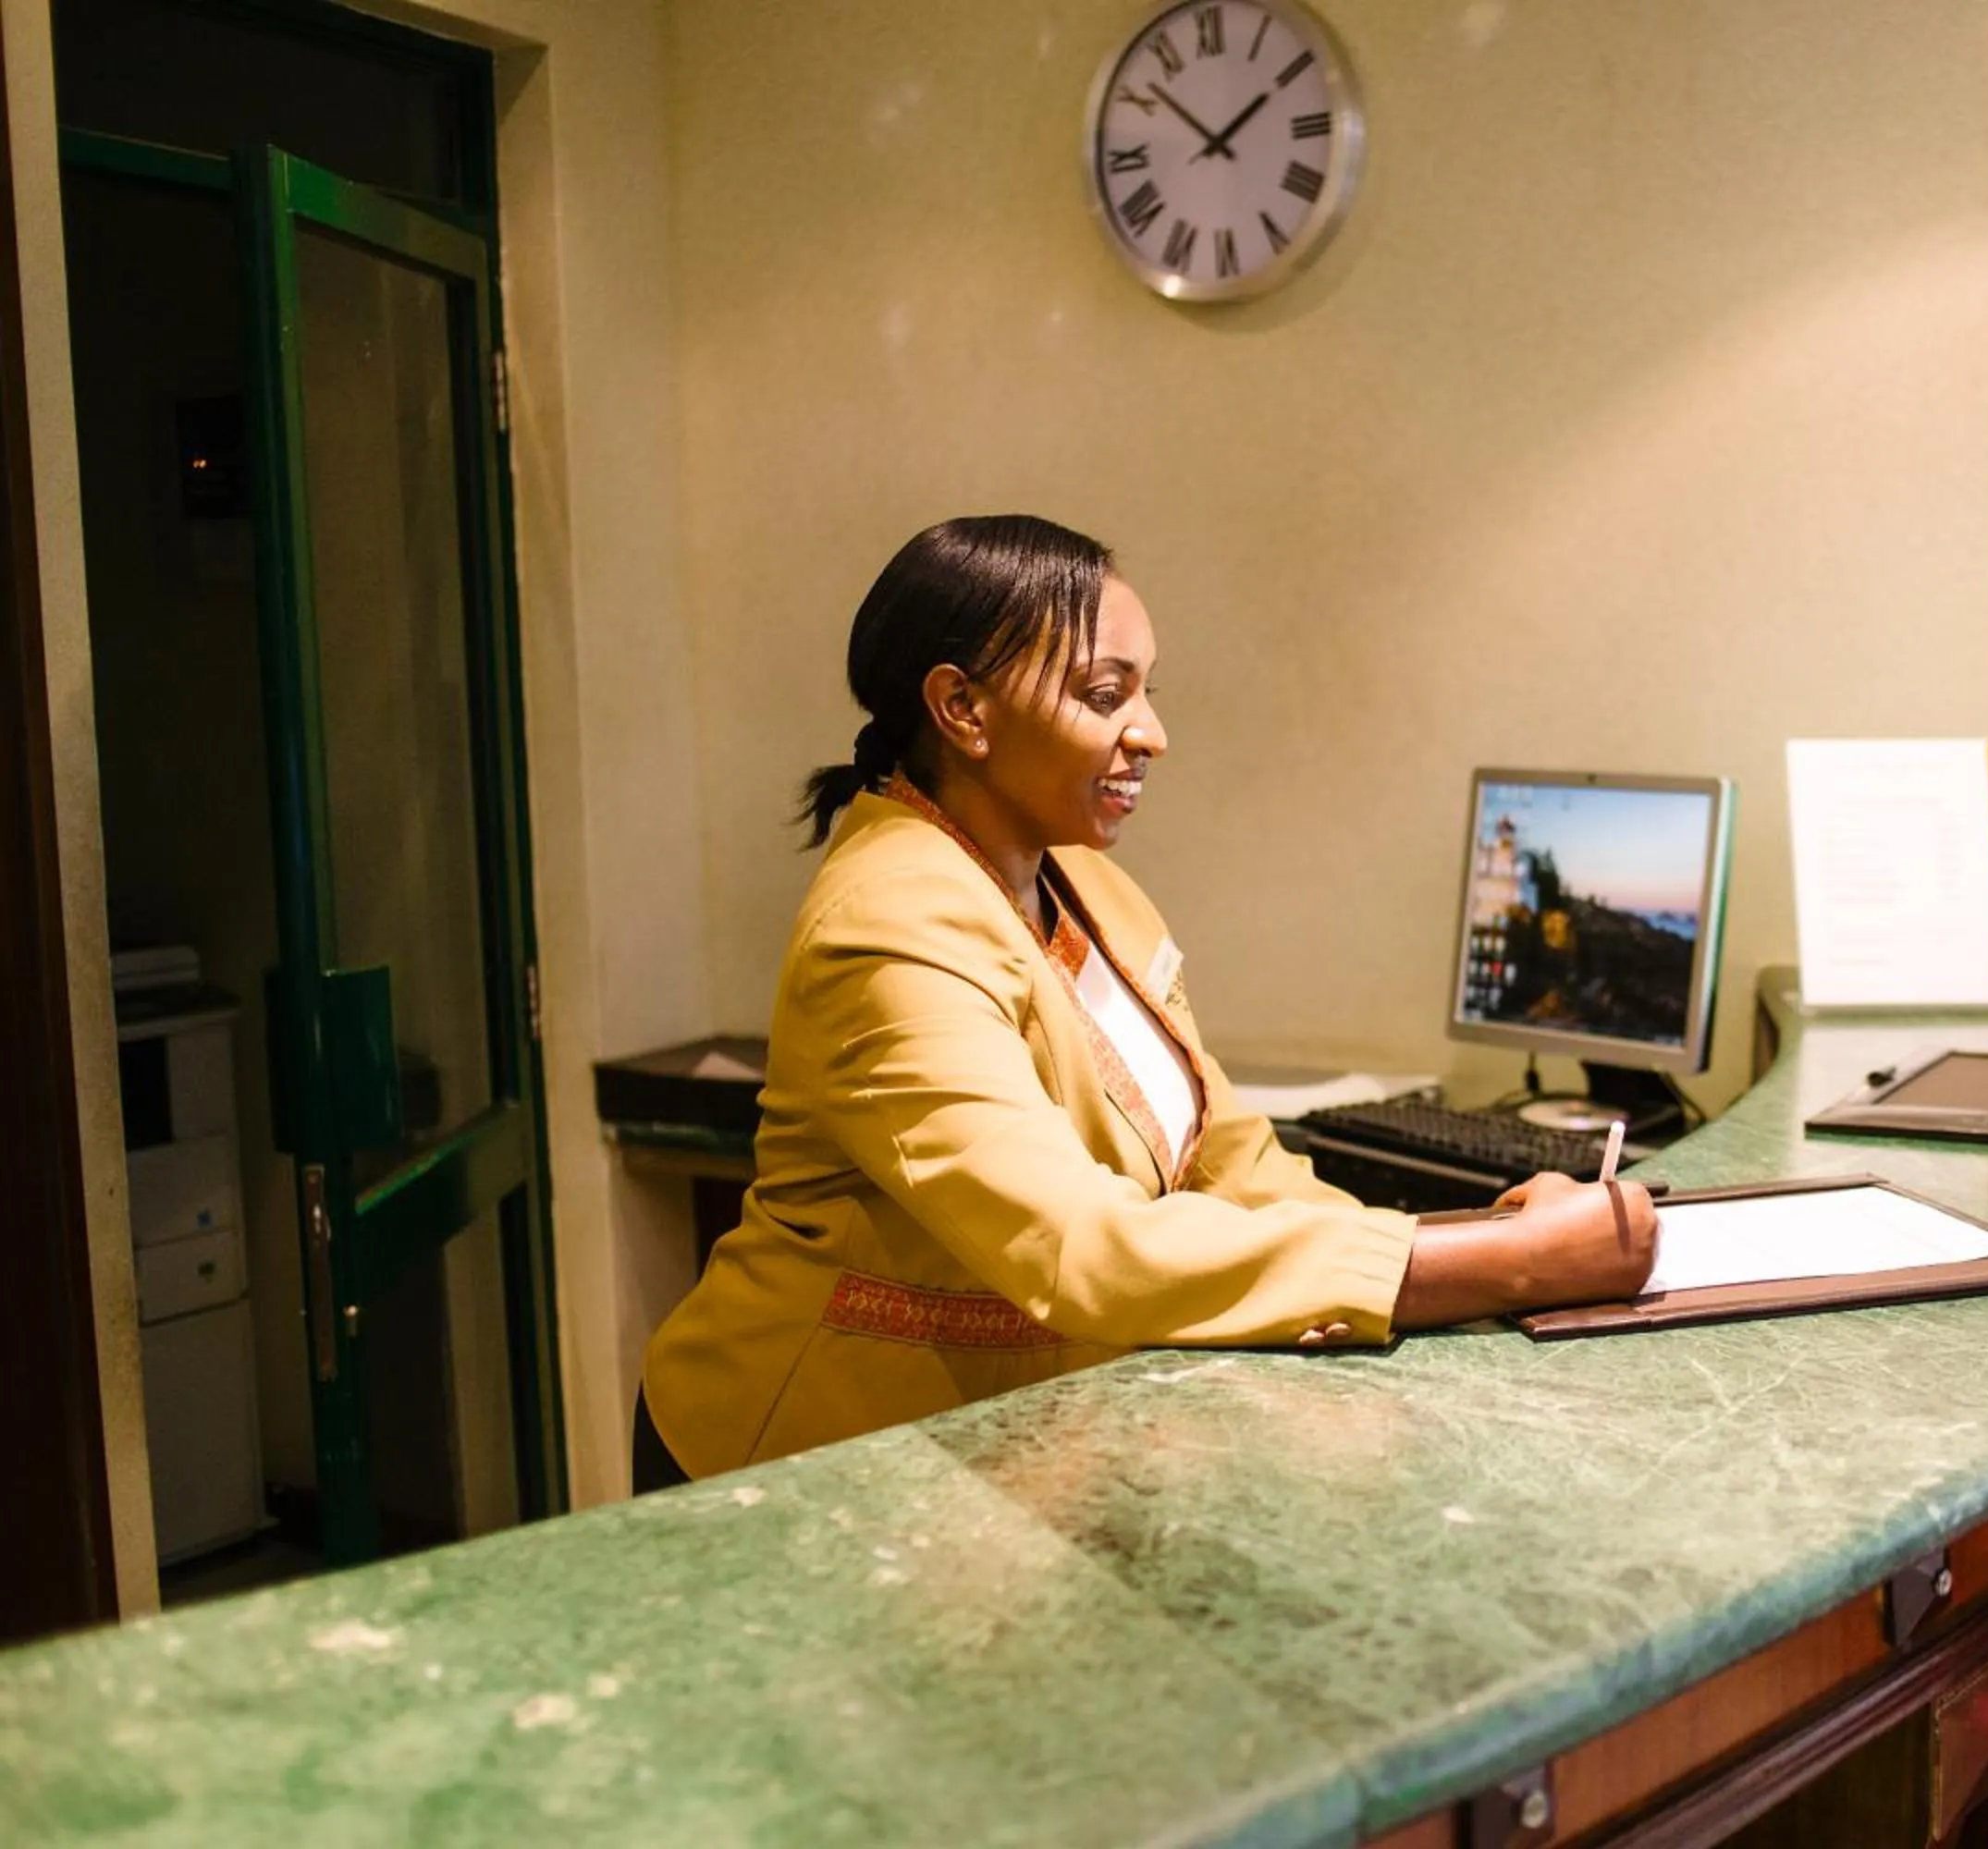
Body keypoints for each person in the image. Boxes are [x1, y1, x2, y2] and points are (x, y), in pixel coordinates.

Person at [638, 516, 1654, 1485]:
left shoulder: (1081, 879)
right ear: (962, 708)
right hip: (806, 1458)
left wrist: (1468, 1243)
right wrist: (1509, 1267)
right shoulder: (890, 922)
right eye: (1104, 692)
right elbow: (1081, 1245)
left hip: (1009, 1436)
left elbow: (1234, 1159)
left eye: (1147, 690)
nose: (1151, 733)